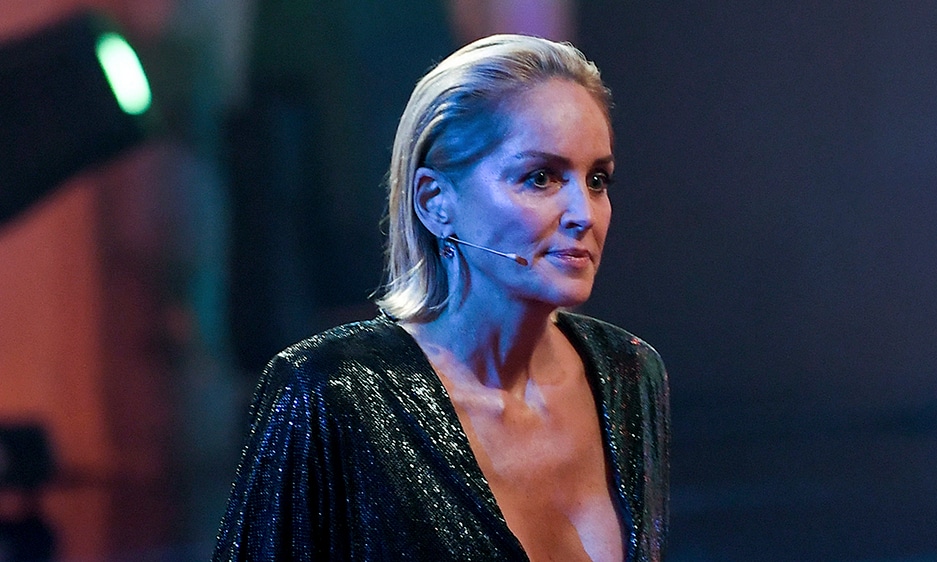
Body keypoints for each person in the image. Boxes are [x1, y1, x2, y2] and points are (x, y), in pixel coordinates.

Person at [213, 34, 669, 561]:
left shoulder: (628, 373)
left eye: (597, 180)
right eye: (540, 177)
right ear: (435, 202)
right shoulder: (332, 393)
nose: (584, 214)